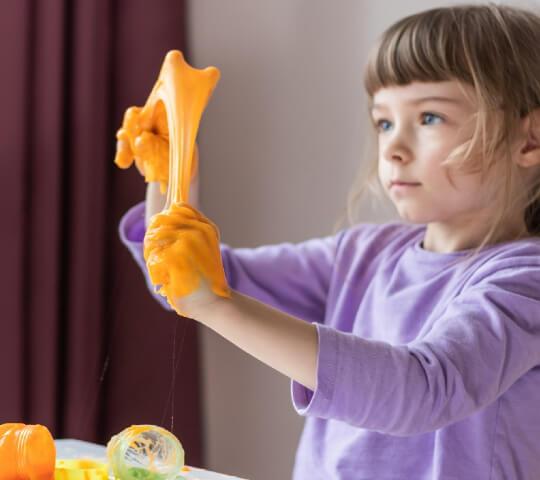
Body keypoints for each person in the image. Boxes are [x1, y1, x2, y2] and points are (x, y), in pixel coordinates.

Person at [118, 4, 540, 479]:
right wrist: (170, 179)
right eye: (383, 122)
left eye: (429, 118)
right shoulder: (362, 256)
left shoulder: (525, 283)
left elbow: (424, 389)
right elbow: (192, 282)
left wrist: (217, 304)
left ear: (529, 139)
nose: (394, 149)